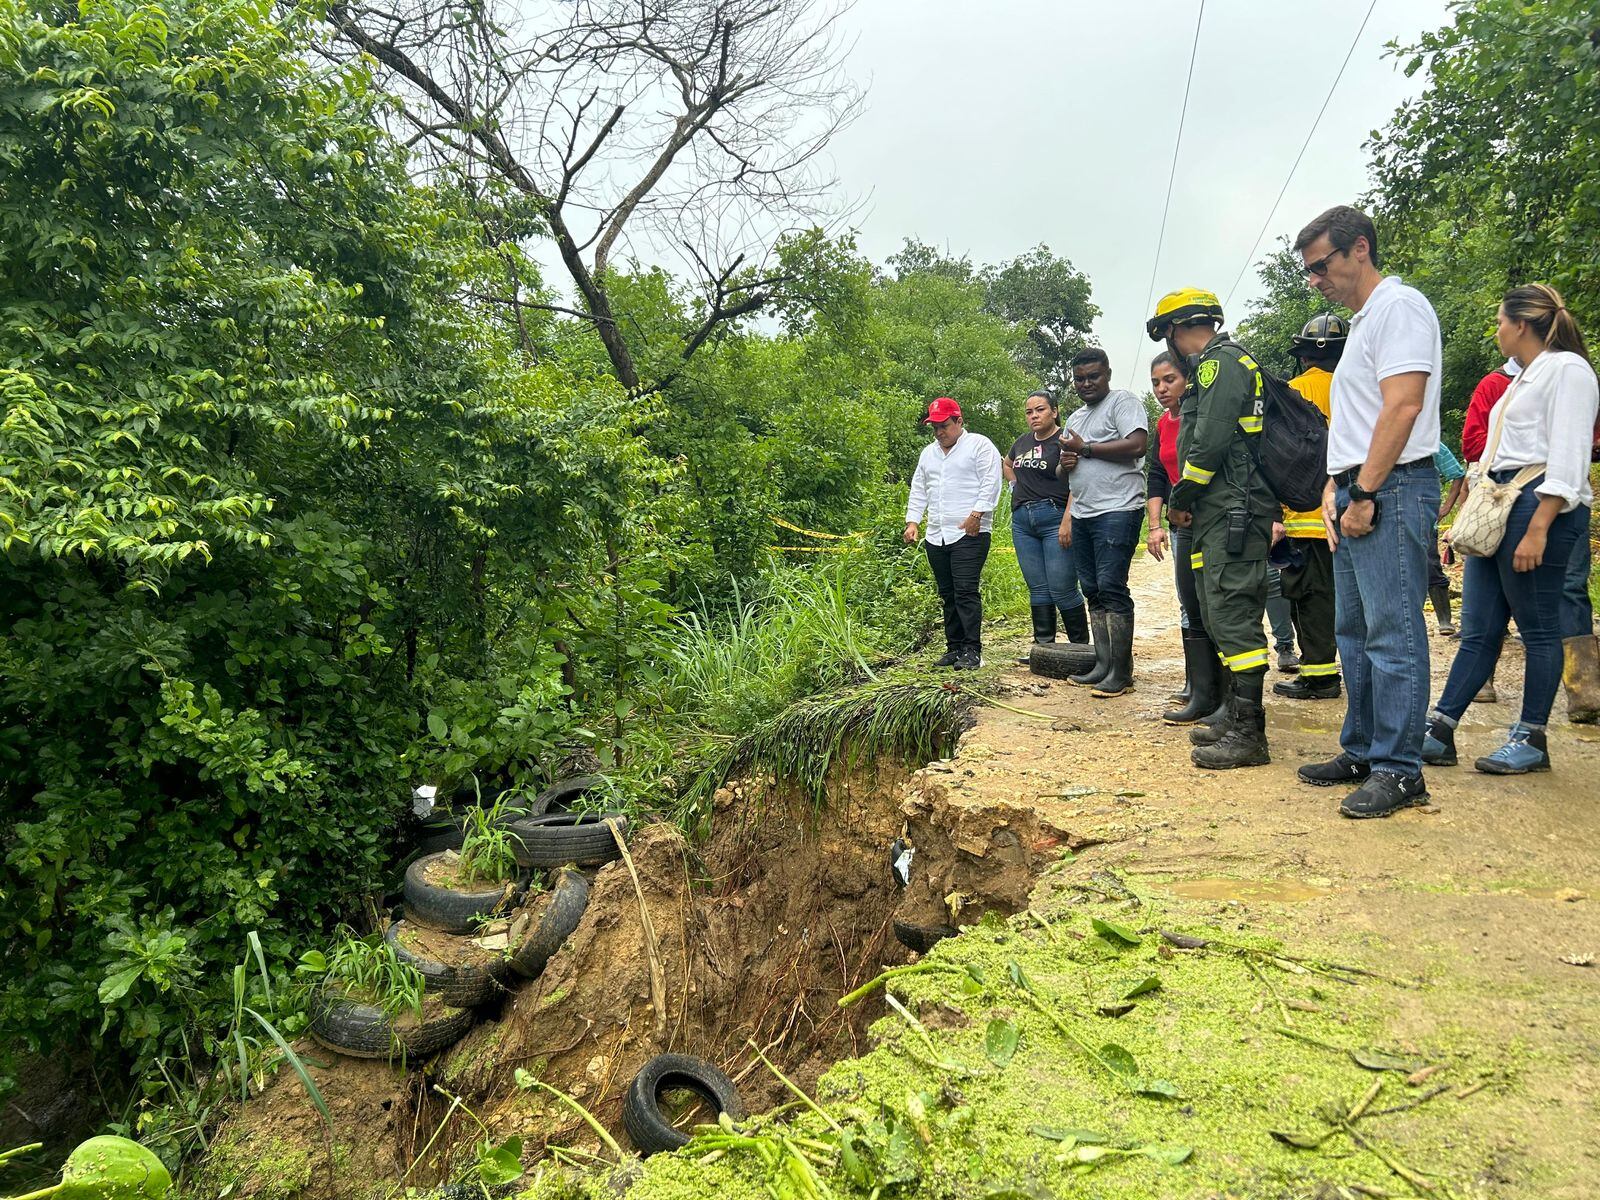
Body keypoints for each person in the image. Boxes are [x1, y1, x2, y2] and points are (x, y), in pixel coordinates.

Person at [1292, 205, 1442, 818]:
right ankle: (1362, 748)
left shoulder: (1400, 308)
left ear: (1359, 249)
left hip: (1393, 487)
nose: (1316, 279)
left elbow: (1402, 408)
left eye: (1321, 265)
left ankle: (1400, 769)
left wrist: (1367, 493)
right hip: (1359, 486)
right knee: (1353, 633)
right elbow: (1355, 421)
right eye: (1309, 271)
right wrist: (1334, 485)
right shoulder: (1364, 322)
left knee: (1392, 632)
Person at [1422, 285, 1598, 771]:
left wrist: (1540, 526)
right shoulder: (1522, 378)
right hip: (1501, 503)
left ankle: (1532, 738)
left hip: (1538, 505)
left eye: (1500, 321)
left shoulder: (1568, 370)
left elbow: (1568, 455)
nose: (1497, 330)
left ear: (1521, 324)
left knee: (1539, 630)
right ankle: (1441, 729)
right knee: (1479, 629)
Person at [1147, 288, 1275, 769]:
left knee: (1233, 612)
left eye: (1168, 334)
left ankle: (1249, 734)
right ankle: (1232, 716)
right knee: (1215, 610)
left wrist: (1181, 500)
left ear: (1177, 330)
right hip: (1216, 514)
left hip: (1230, 512)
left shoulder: (1221, 364)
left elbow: (1209, 445)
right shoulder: (1216, 365)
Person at [1056, 348, 1149, 697]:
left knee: (1111, 585)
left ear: (1108, 373)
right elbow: (1064, 468)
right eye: (1079, 378)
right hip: (1083, 511)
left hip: (1118, 509)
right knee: (1092, 588)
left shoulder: (1123, 402)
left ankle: (1121, 673)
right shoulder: (1076, 418)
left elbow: (1137, 445)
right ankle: (1103, 664)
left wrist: (1086, 449)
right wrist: (1066, 461)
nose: (1086, 384)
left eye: (1093, 376)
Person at [1146, 351, 1229, 725]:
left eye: (1169, 380)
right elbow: (1157, 476)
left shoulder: (1204, 417)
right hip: (1181, 525)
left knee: (1219, 605)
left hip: (1212, 519)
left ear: (1187, 380)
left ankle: (1229, 697)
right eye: (1156, 383)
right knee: (1190, 603)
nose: (1162, 389)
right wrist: (1156, 523)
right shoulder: (1163, 425)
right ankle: (1200, 690)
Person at [1273, 314, 1345, 702]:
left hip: (1304, 519)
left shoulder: (1292, 392)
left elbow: (1278, 458)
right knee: (1342, 596)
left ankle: (1320, 677)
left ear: (1303, 357)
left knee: (1310, 598)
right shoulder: (1358, 387)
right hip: (1352, 511)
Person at [904, 398, 1002, 670]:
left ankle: (973, 651)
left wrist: (977, 514)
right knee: (947, 593)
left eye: (944, 426)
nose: (939, 432)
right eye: (934, 427)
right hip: (937, 534)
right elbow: (919, 489)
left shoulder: (979, 446)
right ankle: (954, 648)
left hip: (969, 533)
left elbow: (991, 482)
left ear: (959, 421)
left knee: (966, 591)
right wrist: (913, 521)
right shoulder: (929, 453)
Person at [1004, 390, 1090, 648]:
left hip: (1055, 517)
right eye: (1029, 412)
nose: (1034, 416)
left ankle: (1080, 649)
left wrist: (1068, 520)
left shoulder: (1065, 441)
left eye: (1040, 409)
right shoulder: (1021, 442)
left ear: (1054, 411)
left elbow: (1077, 482)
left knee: (1063, 588)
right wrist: (1014, 485)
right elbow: (1007, 464)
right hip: (1022, 521)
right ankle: (1044, 648)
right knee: (1038, 588)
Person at [1459, 360, 1522, 703]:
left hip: (1543, 497)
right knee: (1487, 589)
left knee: (1560, 600)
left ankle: (1581, 690)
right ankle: (1481, 681)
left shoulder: (1568, 374)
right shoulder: (1495, 384)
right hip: (1495, 494)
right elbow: (1473, 444)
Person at [1428, 443, 1467, 636]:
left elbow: (1457, 474)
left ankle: (1445, 620)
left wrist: (1446, 508)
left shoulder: (1432, 444)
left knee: (1431, 567)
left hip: (1425, 521)